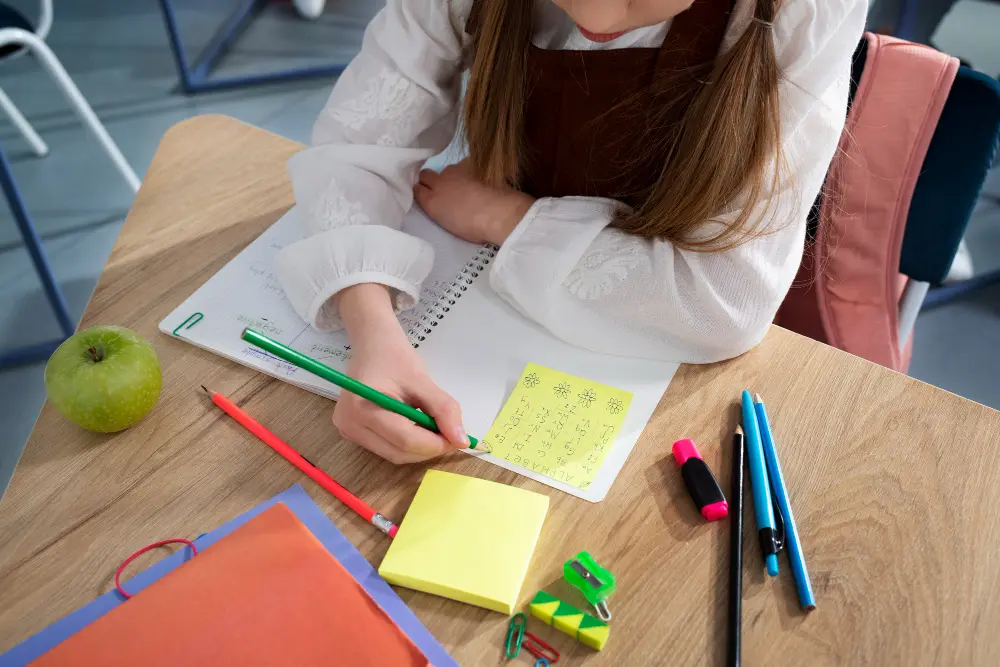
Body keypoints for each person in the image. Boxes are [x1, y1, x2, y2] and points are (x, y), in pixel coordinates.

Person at [276, 0, 867, 464]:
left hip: (669, 382)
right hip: (511, 316)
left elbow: (722, 303)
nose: (597, 17)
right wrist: (371, 329)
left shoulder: (804, 10)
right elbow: (355, 150)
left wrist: (504, 217)